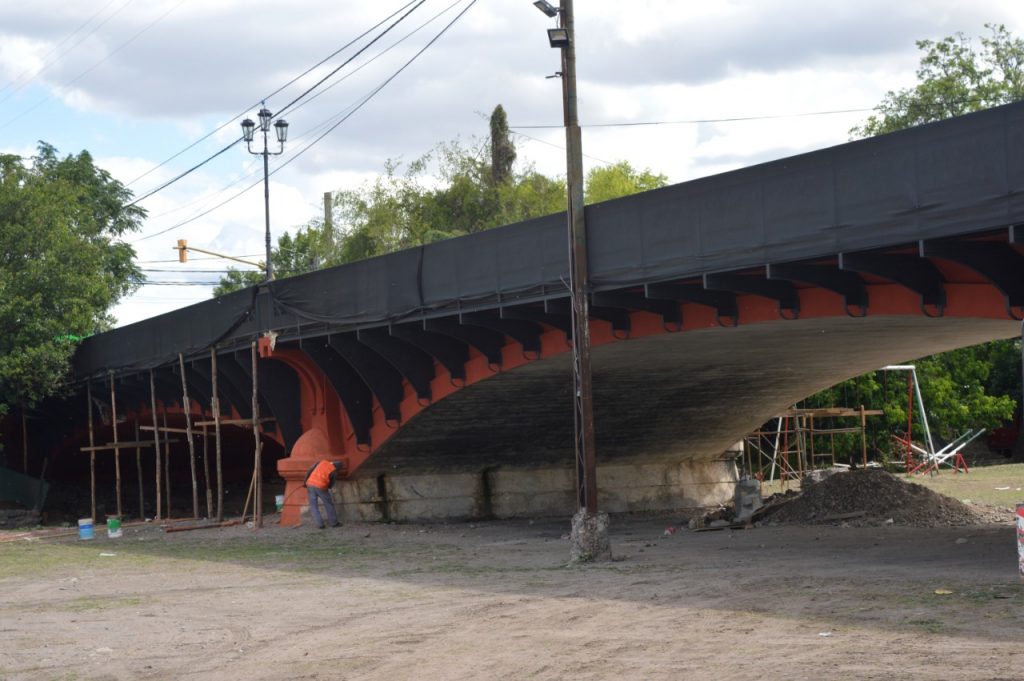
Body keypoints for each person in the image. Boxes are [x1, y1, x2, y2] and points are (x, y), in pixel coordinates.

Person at [303, 459, 343, 529]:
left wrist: (305, 482)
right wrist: (326, 487)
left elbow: (309, 470)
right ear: (337, 468)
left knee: (314, 506)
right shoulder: (334, 471)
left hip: (310, 484)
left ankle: (320, 525)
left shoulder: (321, 462)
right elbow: (331, 485)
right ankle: (334, 523)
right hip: (321, 487)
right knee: (328, 504)